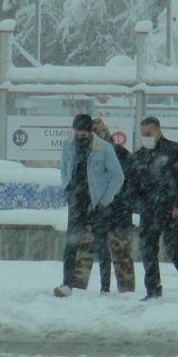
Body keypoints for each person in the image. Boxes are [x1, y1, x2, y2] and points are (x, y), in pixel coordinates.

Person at [53, 114, 124, 298]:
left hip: (97, 203)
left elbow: (118, 176)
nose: (80, 137)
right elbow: (64, 168)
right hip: (76, 201)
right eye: (77, 133)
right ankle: (66, 283)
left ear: (91, 132)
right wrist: (67, 188)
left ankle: (105, 287)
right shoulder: (68, 145)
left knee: (101, 244)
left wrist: (105, 200)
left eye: (84, 134)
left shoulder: (104, 148)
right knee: (71, 244)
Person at [130, 116, 178, 300]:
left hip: (171, 208)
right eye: (143, 134)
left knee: (172, 245)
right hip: (149, 209)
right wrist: (137, 206)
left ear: (158, 131)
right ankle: (152, 289)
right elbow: (134, 184)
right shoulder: (139, 156)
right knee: (147, 248)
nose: (146, 137)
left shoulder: (174, 150)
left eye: (149, 133)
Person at [67, 119, 138, 293]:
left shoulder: (122, 155)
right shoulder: (83, 154)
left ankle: (126, 291)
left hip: (118, 214)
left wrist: (115, 202)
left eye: (100, 131)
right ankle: (77, 290)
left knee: (121, 256)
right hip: (93, 213)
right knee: (84, 253)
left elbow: (128, 184)